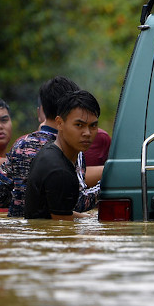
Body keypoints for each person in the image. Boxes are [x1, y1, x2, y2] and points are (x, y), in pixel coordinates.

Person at [0, 76, 101, 216]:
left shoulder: (21, 144)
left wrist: (21, 201)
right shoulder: (70, 149)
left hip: (19, 228)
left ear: (42, 109)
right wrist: (106, 186)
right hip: (55, 227)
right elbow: (77, 203)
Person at [25, 90, 100, 220]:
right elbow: (64, 230)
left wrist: (89, 219)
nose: (87, 133)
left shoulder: (50, 152)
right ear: (59, 123)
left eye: (93, 126)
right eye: (79, 125)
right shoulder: (59, 170)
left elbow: (60, 211)